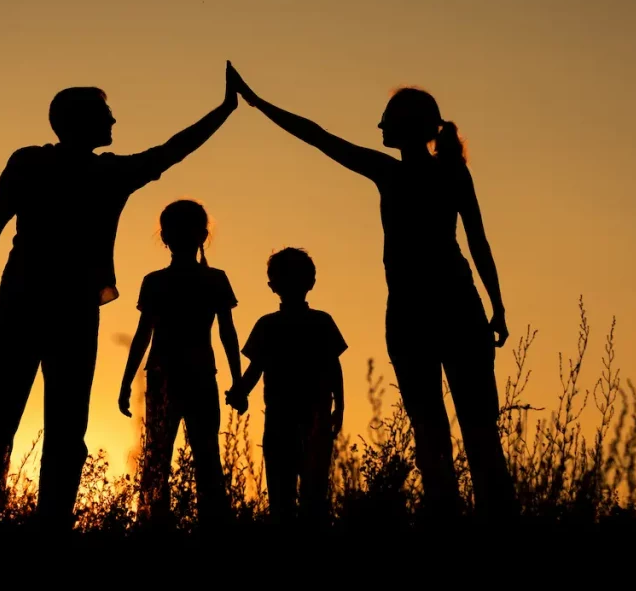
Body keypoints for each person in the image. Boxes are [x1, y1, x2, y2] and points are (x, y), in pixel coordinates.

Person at [227, 64, 517, 519]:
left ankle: (458, 516)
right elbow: (478, 243)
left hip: (418, 313)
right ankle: (483, 518)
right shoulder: (444, 174)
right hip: (448, 308)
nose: (379, 126)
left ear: (409, 128)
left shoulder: (401, 174)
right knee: (472, 426)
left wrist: (259, 104)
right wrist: (496, 307)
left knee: (438, 427)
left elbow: (319, 137)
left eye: (387, 119)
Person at [0, 62, 239, 526]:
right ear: (81, 121)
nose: (113, 123)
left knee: (3, 420)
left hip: (25, 303)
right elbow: (172, 151)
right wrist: (225, 110)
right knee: (52, 424)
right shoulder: (92, 172)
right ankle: (35, 522)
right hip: (60, 310)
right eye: (106, 115)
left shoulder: (34, 163)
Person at [118, 200, 241, 528]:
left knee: (159, 454)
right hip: (195, 375)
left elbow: (144, 335)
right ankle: (209, 525)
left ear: (165, 237)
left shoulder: (158, 281)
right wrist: (238, 379)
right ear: (203, 235)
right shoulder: (211, 280)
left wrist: (126, 381)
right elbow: (227, 333)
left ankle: (154, 525)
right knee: (203, 455)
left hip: (170, 375)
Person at [225, 247, 346, 527]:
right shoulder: (317, 322)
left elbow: (256, 369)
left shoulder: (274, 325)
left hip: (295, 419)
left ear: (272, 286)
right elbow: (333, 367)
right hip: (295, 418)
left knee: (291, 494)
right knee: (305, 493)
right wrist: (339, 406)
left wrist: (240, 392)